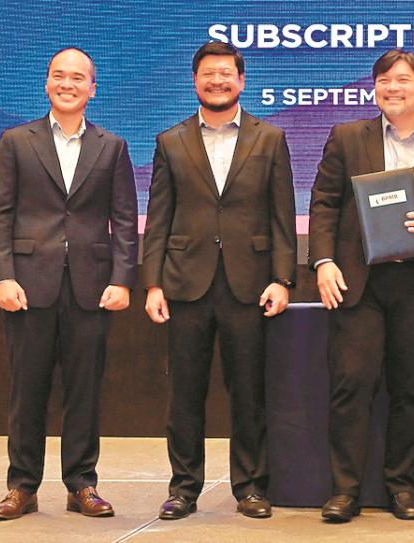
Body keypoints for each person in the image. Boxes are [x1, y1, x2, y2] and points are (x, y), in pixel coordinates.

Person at [309, 49, 414, 522]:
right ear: (374, 88)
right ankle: (344, 490)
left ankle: (402, 487)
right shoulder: (345, 137)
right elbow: (324, 204)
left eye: (403, 80)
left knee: (412, 390)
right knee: (351, 386)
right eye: (384, 80)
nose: (392, 87)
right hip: (358, 283)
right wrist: (322, 261)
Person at [141, 40, 297, 520]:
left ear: (241, 80)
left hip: (249, 285)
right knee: (185, 393)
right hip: (185, 284)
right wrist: (152, 283)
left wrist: (283, 278)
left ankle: (250, 486)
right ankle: (183, 489)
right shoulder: (170, 141)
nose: (217, 80)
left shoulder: (269, 138)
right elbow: (159, 218)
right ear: (195, 82)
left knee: (248, 392)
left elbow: (282, 217)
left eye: (226, 73)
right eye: (208, 73)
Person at [0, 47, 138, 521]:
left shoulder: (111, 146)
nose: (67, 84)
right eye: (59, 76)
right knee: (26, 390)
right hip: (27, 286)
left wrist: (122, 279)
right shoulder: (16, 140)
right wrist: (3, 276)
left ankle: (82, 485)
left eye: (78, 77)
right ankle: (22, 487)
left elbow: (125, 221)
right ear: (47, 83)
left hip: (92, 288)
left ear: (93, 88)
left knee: (84, 391)